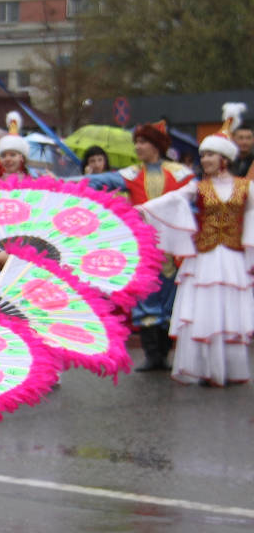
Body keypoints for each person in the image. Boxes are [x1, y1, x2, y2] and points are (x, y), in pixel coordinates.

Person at [137, 106, 254, 386]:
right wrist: (141, 210)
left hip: (233, 258)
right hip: (205, 257)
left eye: (210, 154)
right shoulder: (198, 187)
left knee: (229, 308)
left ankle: (231, 369)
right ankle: (206, 369)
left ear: (225, 159)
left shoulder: (245, 188)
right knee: (206, 310)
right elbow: (172, 201)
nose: (205, 159)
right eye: (203, 155)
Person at [86, 120, 196, 371]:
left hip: (173, 247)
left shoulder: (180, 173)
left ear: (156, 145)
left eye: (143, 142)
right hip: (144, 246)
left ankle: (165, 353)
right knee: (145, 296)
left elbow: (195, 200)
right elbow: (96, 181)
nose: (138, 146)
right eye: (136, 142)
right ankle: (152, 353)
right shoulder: (133, 174)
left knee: (170, 296)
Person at [0, 111, 30, 179]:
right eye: (3, 156)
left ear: (22, 158)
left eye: (13, 155)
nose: (7, 159)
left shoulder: (33, 185)